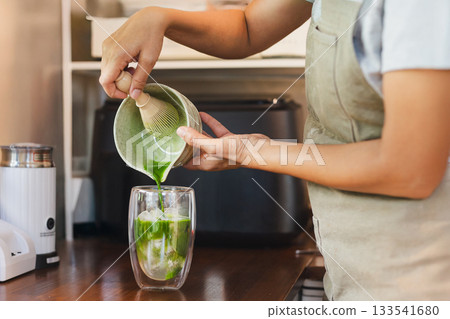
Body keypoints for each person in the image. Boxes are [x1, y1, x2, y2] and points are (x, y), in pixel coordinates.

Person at [100, 0, 450, 300]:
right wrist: (158, 17)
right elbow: (250, 27)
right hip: (349, 261)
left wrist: (255, 153)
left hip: (413, 267)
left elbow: (410, 169)